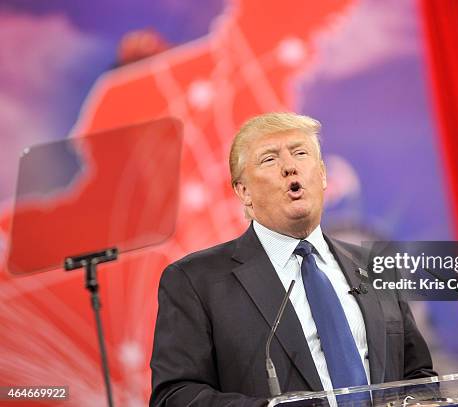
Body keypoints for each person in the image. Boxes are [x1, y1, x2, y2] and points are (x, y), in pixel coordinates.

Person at [150, 112, 435, 406]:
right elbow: (175, 396)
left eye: (300, 153)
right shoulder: (196, 280)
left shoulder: (372, 266)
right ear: (243, 191)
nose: (289, 167)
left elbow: (418, 374)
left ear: (322, 175)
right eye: (269, 159)